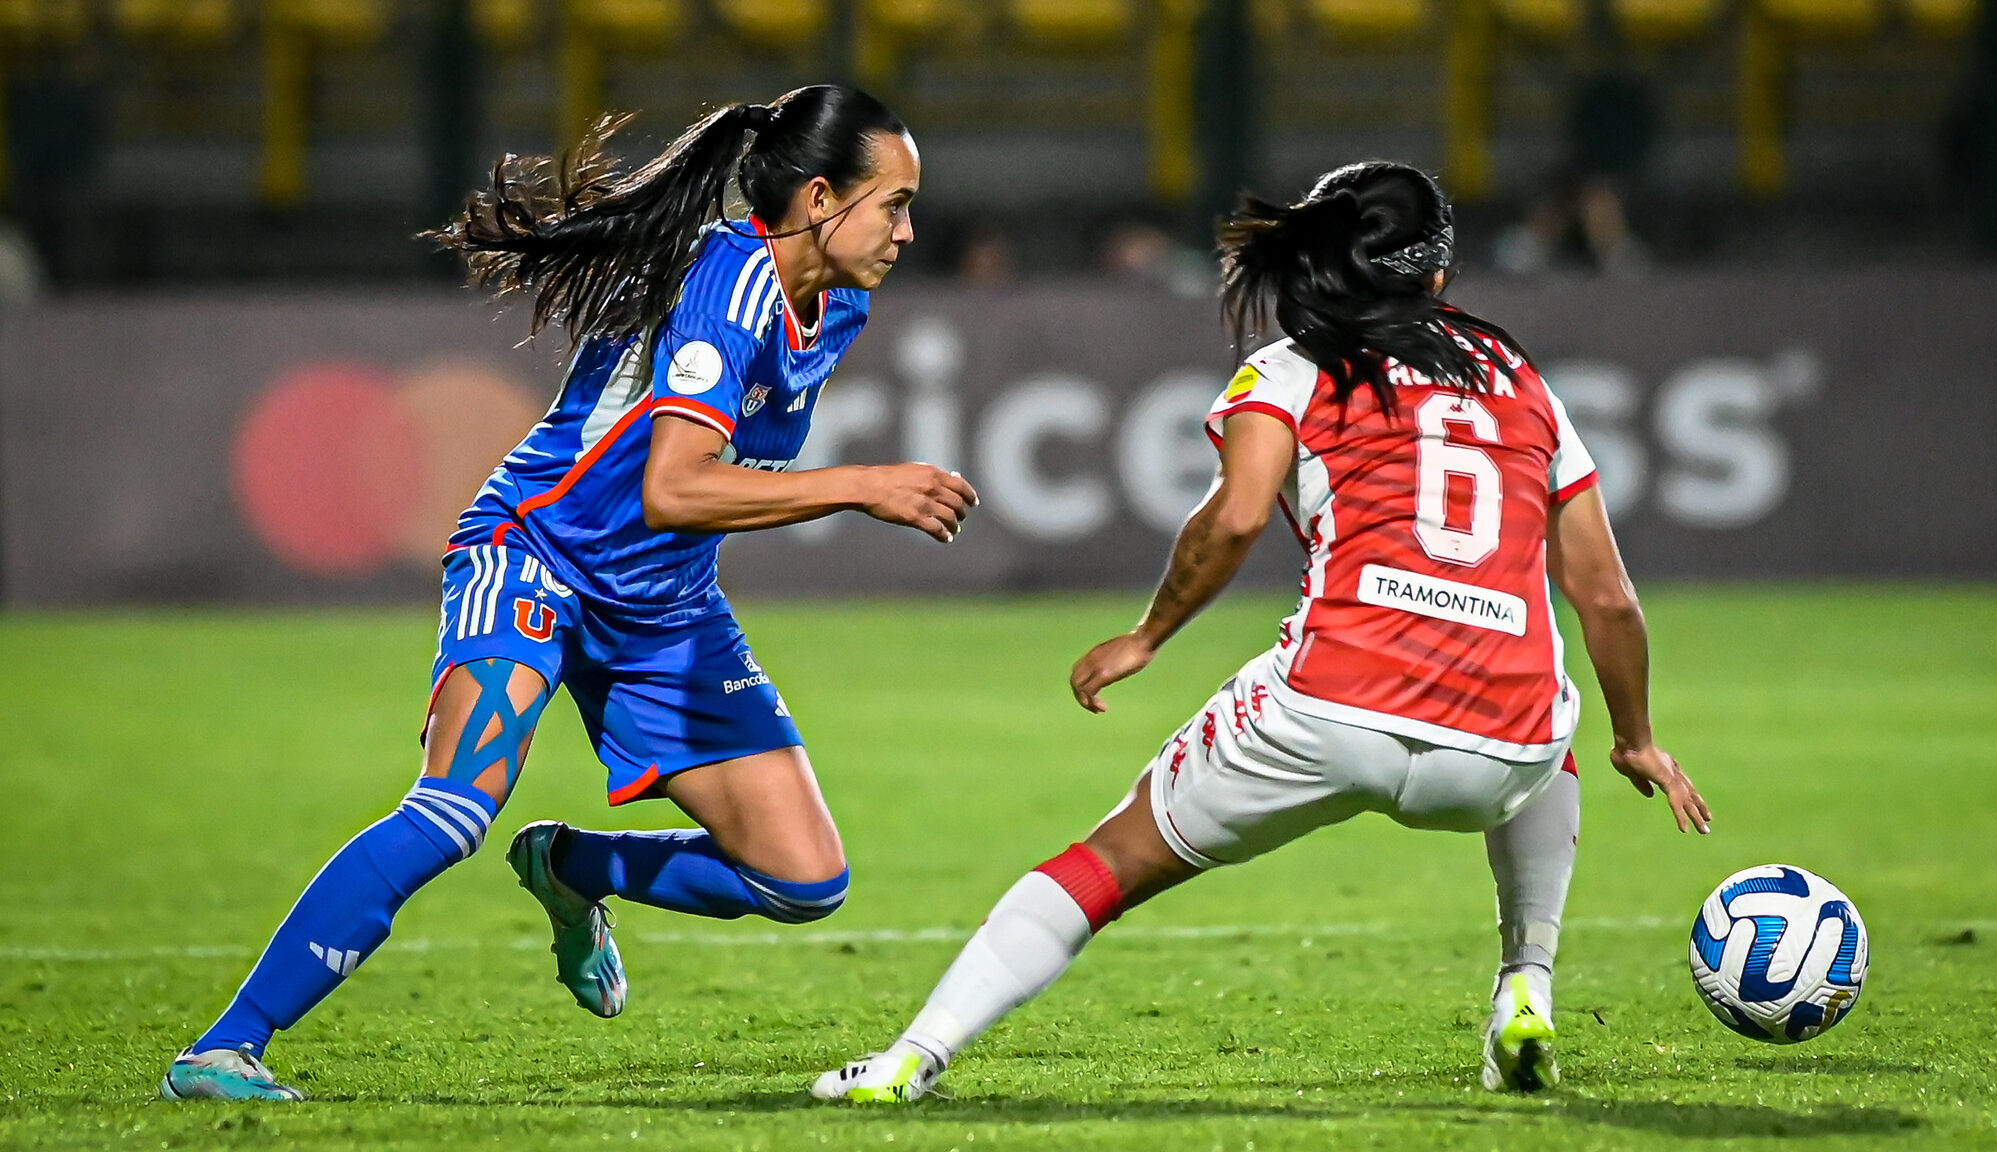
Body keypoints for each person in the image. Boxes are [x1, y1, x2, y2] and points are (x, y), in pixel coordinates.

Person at [812, 160, 1711, 1104]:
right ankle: (1526, 986)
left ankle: (912, 1058)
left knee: (1106, 863)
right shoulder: (1521, 381)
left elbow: (1234, 518)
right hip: (1497, 750)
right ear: (1440, 275)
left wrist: (1149, 634)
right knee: (1551, 725)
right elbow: (1605, 596)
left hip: (1330, 706)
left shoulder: (1292, 367)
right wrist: (1638, 739)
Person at [161, 85, 978, 1102]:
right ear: (819, 196)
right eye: (893, 203)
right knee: (456, 807)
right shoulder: (730, 287)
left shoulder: (836, 298)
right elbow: (673, 485)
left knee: (802, 879)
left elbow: (694, 489)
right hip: (535, 557)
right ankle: (223, 1049)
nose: (908, 230)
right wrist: (859, 484)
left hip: (663, 600)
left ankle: (570, 869)